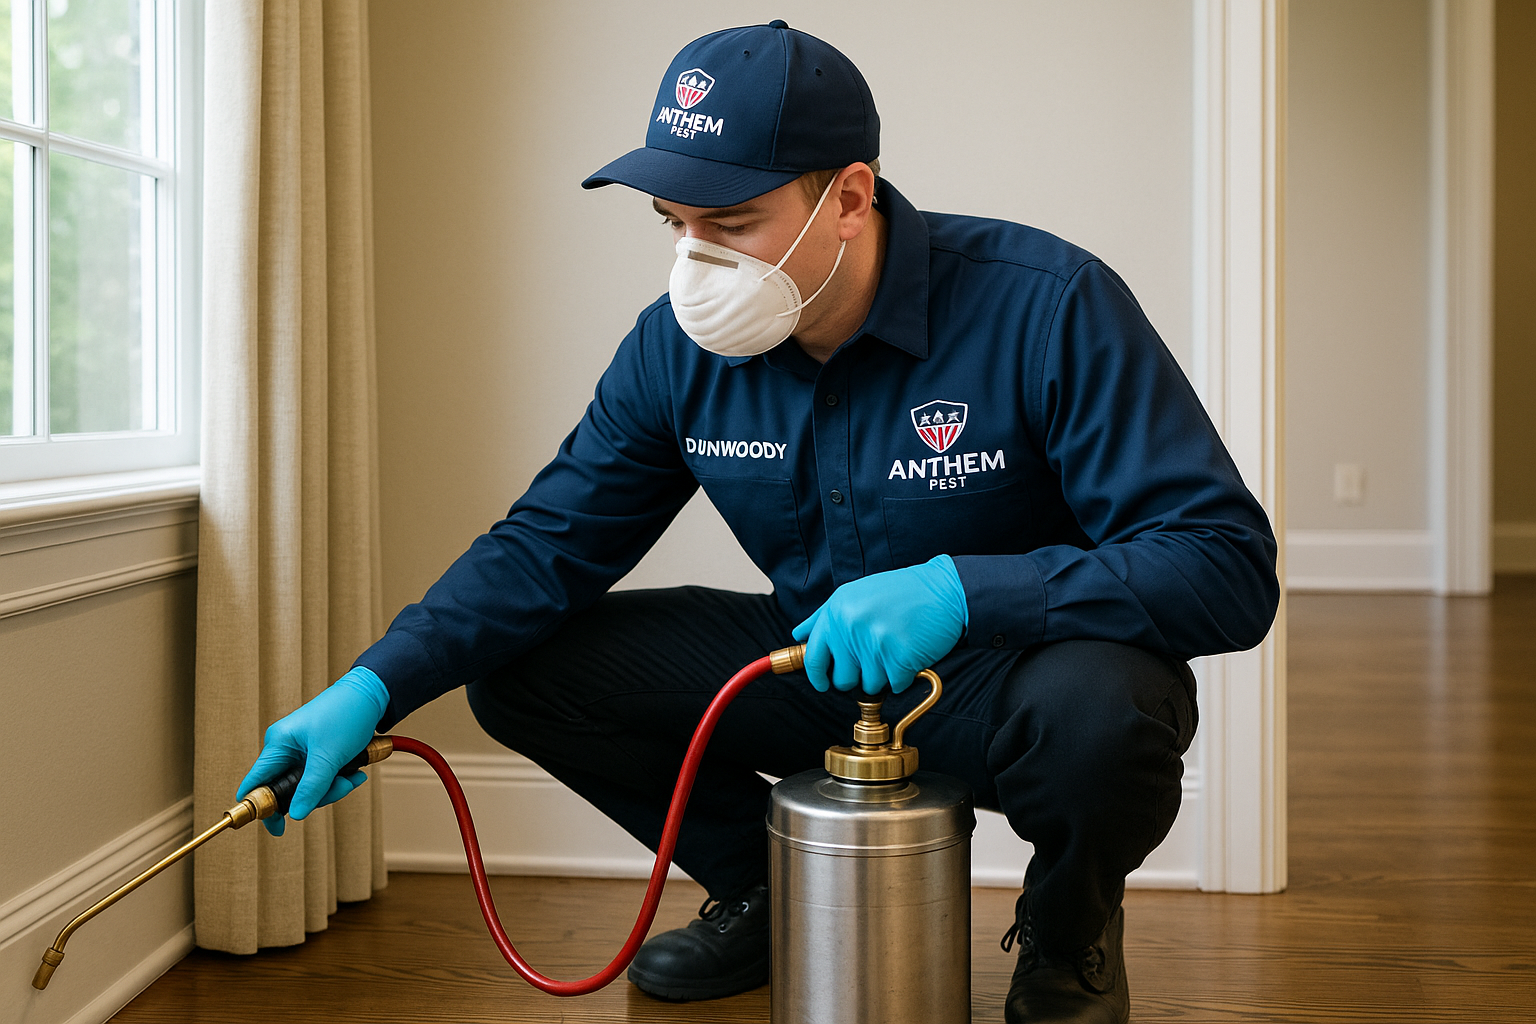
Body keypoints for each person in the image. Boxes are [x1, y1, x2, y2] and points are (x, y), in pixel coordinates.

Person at [238, 21, 1278, 1024]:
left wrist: (964, 588)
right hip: (814, 662)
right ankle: (769, 886)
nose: (697, 261)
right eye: (674, 224)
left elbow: (1225, 566)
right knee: (522, 672)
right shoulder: (675, 350)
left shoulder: (1047, 304)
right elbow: (546, 545)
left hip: (1014, 672)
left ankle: (1069, 928)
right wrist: (373, 685)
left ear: (850, 198)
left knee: (1110, 711)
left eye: (731, 225)